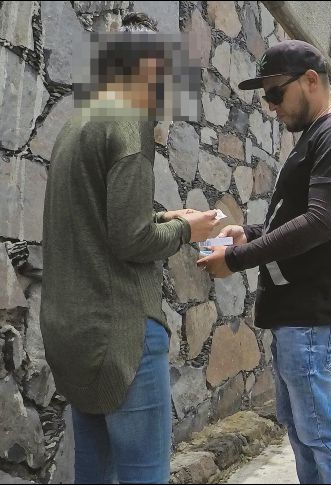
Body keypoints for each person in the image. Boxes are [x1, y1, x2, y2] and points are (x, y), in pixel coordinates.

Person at [40, 13, 217, 484]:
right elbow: (130, 239)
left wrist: (169, 217)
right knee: (145, 475)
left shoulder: (77, 125)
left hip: (71, 332)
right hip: (122, 334)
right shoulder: (128, 126)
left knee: (93, 474)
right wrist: (188, 233)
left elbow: (95, 223)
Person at [197, 40, 331, 484]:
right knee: (303, 432)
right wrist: (251, 233)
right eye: (266, 98)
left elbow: (319, 224)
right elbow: (302, 220)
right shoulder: (318, 138)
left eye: (276, 93)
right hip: (299, 317)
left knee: (320, 435)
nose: (271, 106)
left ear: (311, 80)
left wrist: (236, 258)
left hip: (316, 317)